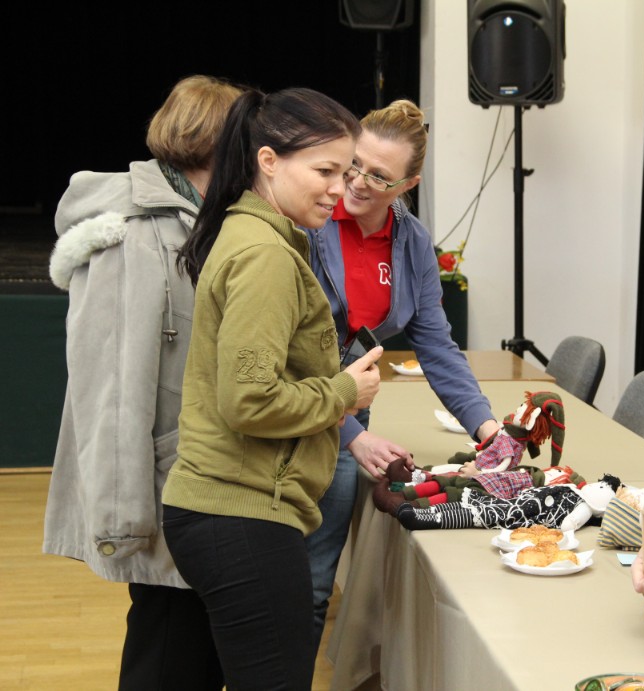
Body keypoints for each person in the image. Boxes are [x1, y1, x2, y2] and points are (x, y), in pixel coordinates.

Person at [160, 86, 382, 690]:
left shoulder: (256, 238)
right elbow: (250, 401)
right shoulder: (265, 256)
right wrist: (344, 392)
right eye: (325, 171)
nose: (339, 190)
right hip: (241, 513)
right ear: (268, 161)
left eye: (347, 173)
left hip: (229, 510)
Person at [43, 74, 242, 691]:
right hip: (161, 484)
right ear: (219, 141)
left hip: (204, 480)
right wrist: (123, 514)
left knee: (199, 648)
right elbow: (110, 385)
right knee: (167, 648)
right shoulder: (132, 233)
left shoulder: (205, 220)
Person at [304, 98, 499, 645]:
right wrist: (351, 433)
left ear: (407, 184)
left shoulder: (411, 243)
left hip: (347, 415)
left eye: (379, 176)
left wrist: (487, 429)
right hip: (297, 407)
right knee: (270, 577)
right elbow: (291, 352)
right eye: (354, 164)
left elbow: (436, 345)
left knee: (315, 581)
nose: (357, 181)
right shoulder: (309, 220)